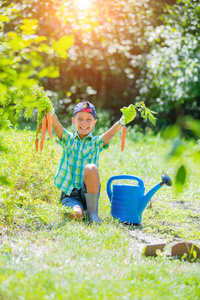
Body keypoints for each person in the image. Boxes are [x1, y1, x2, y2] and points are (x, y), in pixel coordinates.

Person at [52, 101, 133, 223]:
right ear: (73, 121)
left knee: (91, 168)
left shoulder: (96, 143)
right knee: (76, 215)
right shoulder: (67, 140)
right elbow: (56, 124)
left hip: (89, 192)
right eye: (80, 119)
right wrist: (50, 111)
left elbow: (111, 132)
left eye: (89, 119)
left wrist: (122, 121)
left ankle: (92, 214)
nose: (84, 123)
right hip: (70, 193)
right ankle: (78, 210)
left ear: (94, 122)